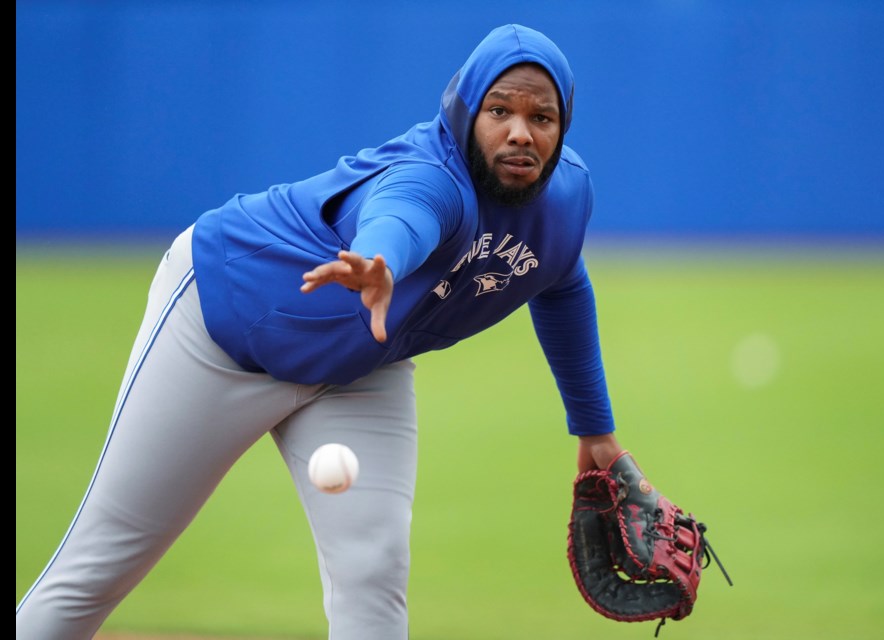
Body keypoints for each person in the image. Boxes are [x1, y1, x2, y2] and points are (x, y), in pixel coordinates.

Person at [16, 23, 626, 640]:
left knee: (374, 574)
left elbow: (562, 285)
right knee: (97, 568)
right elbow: (400, 215)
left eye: (541, 117)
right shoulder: (432, 179)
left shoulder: (566, 198)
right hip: (223, 331)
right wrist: (380, 260)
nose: (520, 131)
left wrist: (595, 428)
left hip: (359, 367)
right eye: (499, 110)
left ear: (563, 127)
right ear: (466, 112)